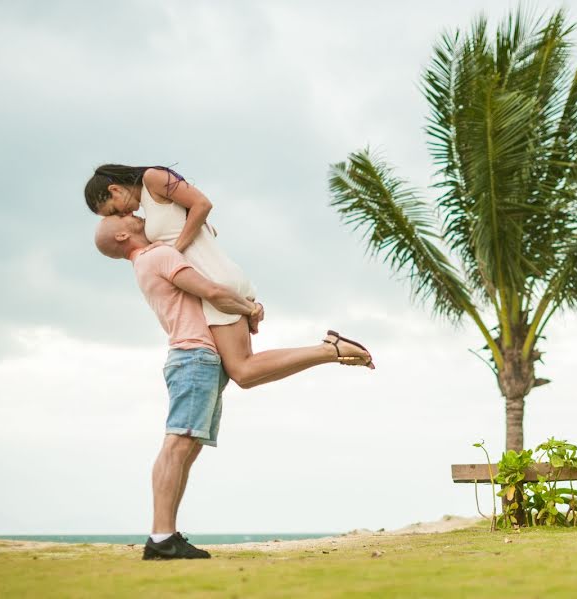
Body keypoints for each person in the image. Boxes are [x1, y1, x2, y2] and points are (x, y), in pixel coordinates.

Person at [94, 214, 372, 559]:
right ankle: (161, 537)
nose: (135, 214)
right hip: (193, 359)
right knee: (178, 444)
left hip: (198, 359)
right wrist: (250, 308)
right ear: (122, 234)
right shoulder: (157, 257)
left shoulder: (149, 262)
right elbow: (211, 290)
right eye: (124, 217)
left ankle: (167, 536)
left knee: (187, 448)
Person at [84, 164, 375, 386]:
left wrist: (176, 249)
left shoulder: (152, 178)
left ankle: (330, 350)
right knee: (244, 372)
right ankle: (329, 349)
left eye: (111, 210)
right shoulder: (148, 210)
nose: (117, 215)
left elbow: (203, 204)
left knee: (243, 371)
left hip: (215, 280)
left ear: (113, 191)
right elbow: (193, 223)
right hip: (213, 277)